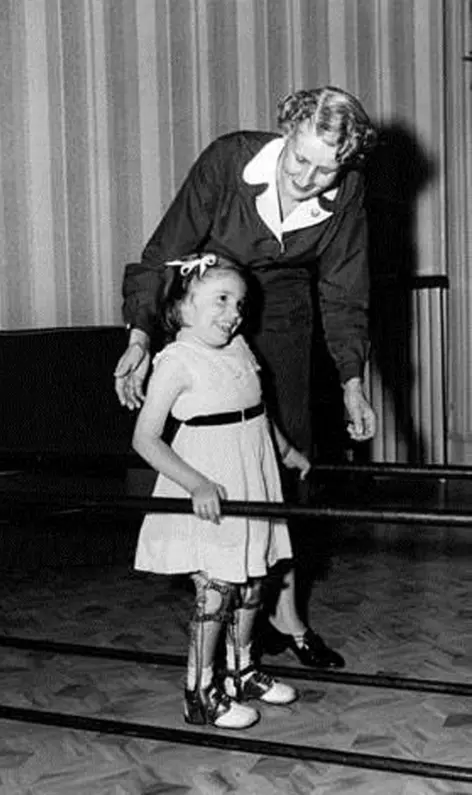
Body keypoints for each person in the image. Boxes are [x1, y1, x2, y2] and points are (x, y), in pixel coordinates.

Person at [115, 85, 378, 670]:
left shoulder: (348, 191)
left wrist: (352, 381)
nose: (307, 178)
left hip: (283, 304)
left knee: (288, 455)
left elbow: (344, 290)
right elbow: (164, 251)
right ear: (286, 135)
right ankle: (226, 605)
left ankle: (283, 612)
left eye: (326, 170)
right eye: (300, 159)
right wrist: (140, 337)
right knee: (223, 453)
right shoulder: (229, 160)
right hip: (215, 295)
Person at [132, 252, 310, 728]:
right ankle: (199, 692)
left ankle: (240, 672)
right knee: (216, 590)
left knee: (252, 581)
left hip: (253, 477)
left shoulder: (240, 347)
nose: (234, 313)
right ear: (182, 307)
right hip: (210, 484)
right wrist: (196, 483)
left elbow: (257, 409)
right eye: (221, 300)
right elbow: (145, 439)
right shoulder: (177, 361)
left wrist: (286, 451)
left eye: (240, 303)